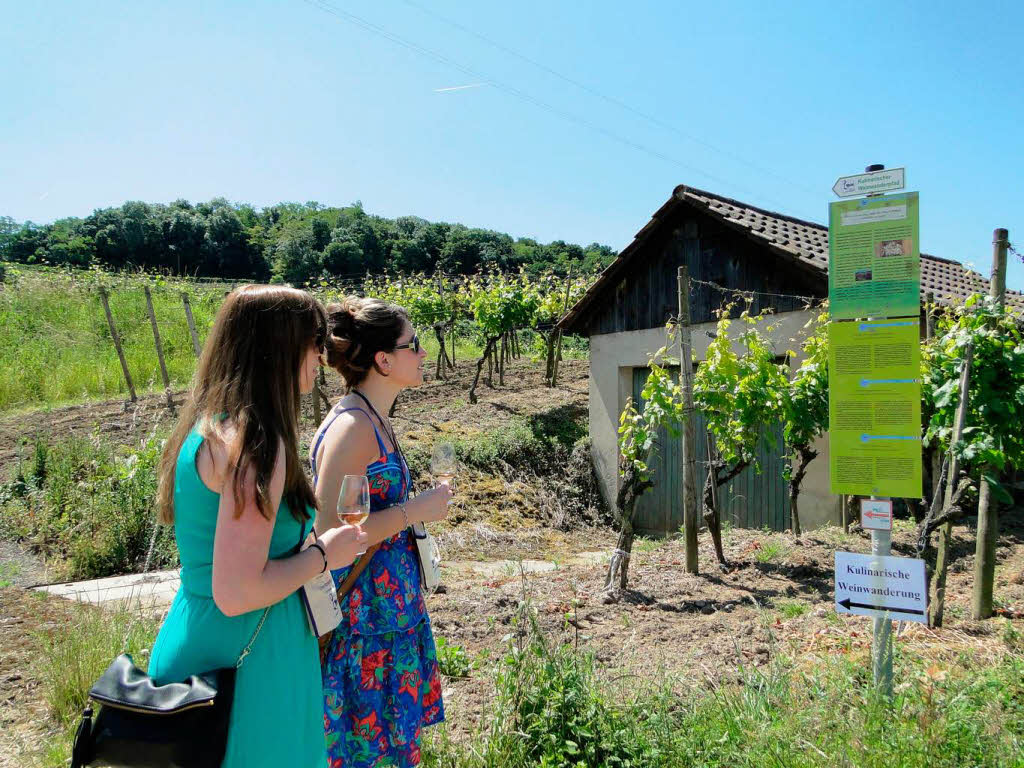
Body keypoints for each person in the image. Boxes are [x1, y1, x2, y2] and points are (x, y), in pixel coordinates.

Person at [148, 285, 368, 768]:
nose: (321, 353)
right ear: (279, 346)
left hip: (200, 644)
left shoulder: (207, 430)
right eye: (313, 340)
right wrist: (325, 554)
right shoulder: (257, 446)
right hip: (252, 665)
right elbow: (238, 591)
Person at [312, 296, 451, 768]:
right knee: (367, 748)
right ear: (383, 360)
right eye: (414, 344)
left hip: (387, 615)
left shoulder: (374, 420)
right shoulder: (354, 427)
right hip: (365, 621)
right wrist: (417, 510)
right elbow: (330, 530)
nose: (423, 353)